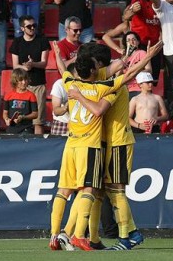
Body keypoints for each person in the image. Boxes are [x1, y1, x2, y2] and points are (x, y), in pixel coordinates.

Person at [48, 41, 159, 251]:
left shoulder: (83, 85)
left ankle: (125, 236)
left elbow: (120, 72)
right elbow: (123, 67)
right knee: (95, 191)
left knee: (112, 190)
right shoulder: (102, 83)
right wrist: (140, 57)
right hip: (98, 143)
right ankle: (90, 237)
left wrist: (57, 54)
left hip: (116, 142)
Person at [9, 14, 51, 135]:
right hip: (22, 86)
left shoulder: (42, 40)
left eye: (34, 25)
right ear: (22, 28)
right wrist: (25, 66)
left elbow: (44, 63)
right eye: (29, 26)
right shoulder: (17, 42)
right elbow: (15, 65)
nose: (32, 28)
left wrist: (33, 64)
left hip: (38, 84)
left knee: (38, 121)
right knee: (19, 119)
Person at [2, 68, 38, 134]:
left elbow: (35, 114)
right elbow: (5, 113)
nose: (24, 82)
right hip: (12, 128)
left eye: (25, 79)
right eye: (21, 80)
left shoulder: (31, 95)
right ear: (15, 81)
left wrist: (23, 117)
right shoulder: (8, 95)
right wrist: (6, 119)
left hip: (26, 128)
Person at [121, 31, 153, 98]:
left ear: (138, 42)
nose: (131, 42)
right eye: (128, 40)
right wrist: (126, 56)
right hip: (125, 89)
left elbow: (149, 70)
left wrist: (135, 71)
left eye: (134, 39)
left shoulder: (142, 53)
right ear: (125, 44)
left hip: (138, 87)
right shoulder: (124, 58)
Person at [49, 63, 75, 136]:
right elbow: (56, 111)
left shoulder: (84, 84)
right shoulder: (59, 84)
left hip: (78, 123)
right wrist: (65, 108)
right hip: (61, 123)